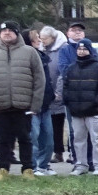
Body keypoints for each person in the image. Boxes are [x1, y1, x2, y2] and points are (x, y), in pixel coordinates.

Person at [0, 20, 45, 180]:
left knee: (25, 138)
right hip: (0, 105)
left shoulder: (30, 52)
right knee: (3, 139)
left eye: (10, 30)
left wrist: (35, 104)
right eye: (3, 31)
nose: (7, 33)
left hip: (23, 105)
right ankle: (3, 169)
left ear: (16, 33)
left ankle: (28, 169)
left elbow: (39, 80)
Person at [62, 39, 98, 177]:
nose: (81, 52)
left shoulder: (97, 67)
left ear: (90, 50)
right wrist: (69, 103)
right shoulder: (71, 68)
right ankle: (81, 165)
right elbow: (66, 87)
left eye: (84, 49)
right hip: (76, 112)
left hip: (93, 112)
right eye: (79, 49)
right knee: (78, 140)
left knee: (96, 140)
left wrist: (96, 102)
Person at [25, 30, 57, 176]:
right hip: (32, 105)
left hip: (46, 104)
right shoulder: (28, 57)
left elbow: (46, 80)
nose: (40, 39)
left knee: (48, 138)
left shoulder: (43, 56)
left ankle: (44, 165)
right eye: (37, 38)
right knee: (34, 138)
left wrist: (51, 94)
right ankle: (33, 166)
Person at [38, 26, 69, 164]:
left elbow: (62, 72)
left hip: (58, 93)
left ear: (53, 38)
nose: (42, 41)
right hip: (45, 93)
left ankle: (59, 152)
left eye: (45, 39)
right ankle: (47, 151)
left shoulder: (62, 49)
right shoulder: (42, 49)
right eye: (41, 38)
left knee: (57, 124)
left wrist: (59, 92)